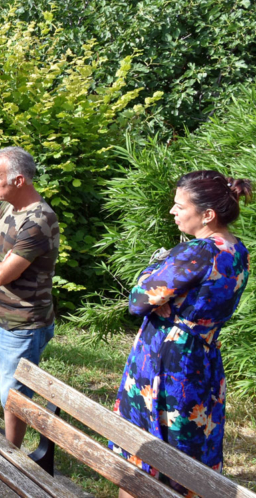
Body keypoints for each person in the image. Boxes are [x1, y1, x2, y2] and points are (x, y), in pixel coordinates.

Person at [111, 170, 251, 497]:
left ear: (207, 215)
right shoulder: (237, 250)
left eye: (179, 206)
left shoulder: (198, 252)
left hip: (166, 360)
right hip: (202, 357)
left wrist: (153, 266)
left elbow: (138, 300)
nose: (173, 212)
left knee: (143, 455)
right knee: (188, 446)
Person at [0, 146, 59, 448]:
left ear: (19, 180)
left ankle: (11, 460)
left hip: (23, 324)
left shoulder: (39, 220)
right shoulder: (4, 208)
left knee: (12, 399)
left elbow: (2, 274)